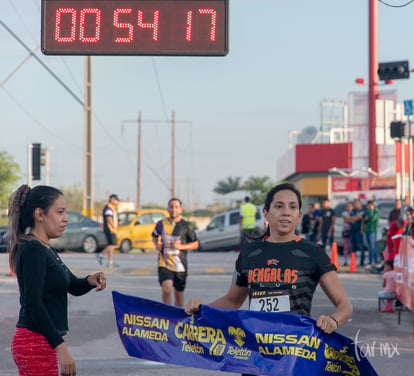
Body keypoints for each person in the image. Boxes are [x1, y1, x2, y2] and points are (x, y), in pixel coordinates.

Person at [185, 183, 353, 376]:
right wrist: (201, 311)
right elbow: (232, 300)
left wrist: (333, 320)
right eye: (279, 206)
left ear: (299, 215)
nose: (286, 212)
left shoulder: (313, 253)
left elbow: (345, 306)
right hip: (255, 355)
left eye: (292, 207)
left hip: (294, 357)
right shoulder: (249, 252)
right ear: (266, 214)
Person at [8, 184, 106, 376]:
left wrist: (90, 280)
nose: (66, 218)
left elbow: (72, 285)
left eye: (65, 212)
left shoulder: (45, 249)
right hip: (34, 342)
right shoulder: (33, 250)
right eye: (60, 212)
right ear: (40, 214)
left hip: (43, 341)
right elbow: (33, 304)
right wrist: (60, 348)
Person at [152, 198, 199, 307]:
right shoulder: (161, 224)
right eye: (171, 206)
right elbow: (154, 235)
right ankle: (167, 314)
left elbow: (195, 244)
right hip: (164, 263)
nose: (174, 209)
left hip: (180, 266)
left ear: (181, 210)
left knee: (178, 293)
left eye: (176, 207)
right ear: (167, 208)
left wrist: (180, 246)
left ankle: (177, 317)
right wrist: (156, 245)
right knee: (166, 289)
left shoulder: (187, 226)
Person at [97, 193, 120, 267]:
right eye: (116, 200)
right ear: (112, 199)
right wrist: (113, 227)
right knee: (113, 245)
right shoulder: (108, 208)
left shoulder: (112, 208)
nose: (117, 202)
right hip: (110, 229)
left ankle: (110, 262)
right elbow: (109, 218)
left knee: (110, 245)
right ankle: (101, 255)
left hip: (112, 229)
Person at [348, 199, 366, 266]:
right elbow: (348, 218)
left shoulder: (363, 211)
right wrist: (354, 218)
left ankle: (362, 262)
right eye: (355, 204)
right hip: (352, 231)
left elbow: (358, 218)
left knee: (361, 247)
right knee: (353, 248)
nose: (356, 205)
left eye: (357, 204)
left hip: (359, 231)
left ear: (360, 204)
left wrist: (353, 218)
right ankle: (353, 263)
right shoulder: (353, 211)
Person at [364, 200, 379, 267]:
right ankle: (370, 262)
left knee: (373, 247)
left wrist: (371, 211)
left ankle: (375, 261)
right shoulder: (367, 212)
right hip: (367, 231)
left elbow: (372, 218)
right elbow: (365, 220)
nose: (368, 207)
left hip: (373, 231)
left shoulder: (376, 211)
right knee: (369, 248)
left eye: (369, 205)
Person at [341, 202, 353, 266]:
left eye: (350, 206)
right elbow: (346, 220)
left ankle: (352, 261)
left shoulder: (354, 213)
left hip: (352, 232)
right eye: (348, 206)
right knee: (346, 247)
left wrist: (351, 219)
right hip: (345, 231)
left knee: (351, 247)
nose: (349, 208)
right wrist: (354, 219)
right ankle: (345, 260)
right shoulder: (344, 213)